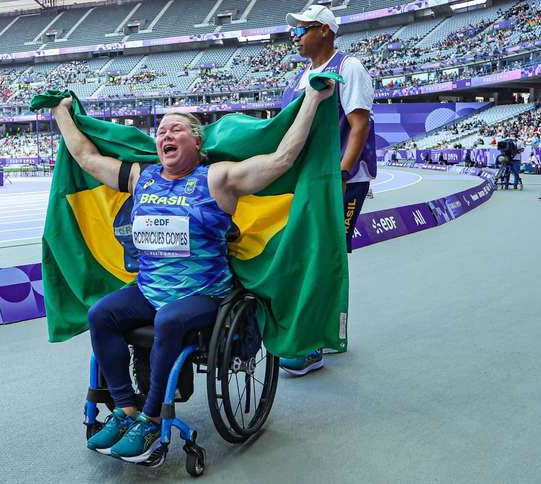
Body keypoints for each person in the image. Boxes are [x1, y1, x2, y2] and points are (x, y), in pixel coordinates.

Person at [52, 81, 333, 460]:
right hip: (150, 289)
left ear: (197, 142)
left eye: (176, 128)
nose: (166, 134)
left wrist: (313, 100)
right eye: (161, 130)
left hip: (204, 295)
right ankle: (125, 409)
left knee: (169, 320)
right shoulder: (141, 177)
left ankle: (151, 419)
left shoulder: (217, 178)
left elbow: (282, 159)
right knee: (101, 314)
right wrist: (61, 115)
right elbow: (86, 158)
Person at [280, 4, 376, 375]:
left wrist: (342, 172)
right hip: (309, 179)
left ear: (324, 30)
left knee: (322, 255)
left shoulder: (349, 67)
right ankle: (329, 333)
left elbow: (359, 125)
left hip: (339, 180)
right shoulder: (303, 75)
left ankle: (313, 344)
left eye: (302, 30)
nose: (296, 37)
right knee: (321, 254)